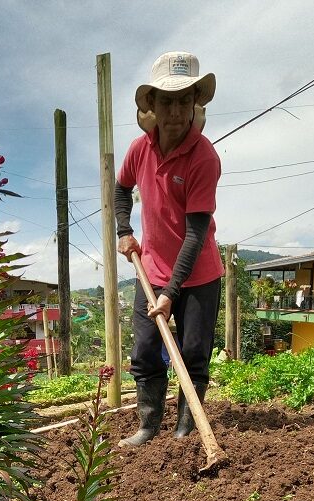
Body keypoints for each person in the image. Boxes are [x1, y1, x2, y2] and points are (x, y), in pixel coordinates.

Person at [114, 51, 223, 447]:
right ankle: (147, 426)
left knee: (193, 353)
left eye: (183, 100)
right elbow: (121, 187)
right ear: (153, 106)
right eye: (166, 101)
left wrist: (170, 293)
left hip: (198, 273)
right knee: (145, 349)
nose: (176, 111)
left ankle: (185, 430)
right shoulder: (139, 149)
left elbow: (195, 234)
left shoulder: (204, 157)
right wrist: (124, 229)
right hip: (153, 268)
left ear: (195, 102)